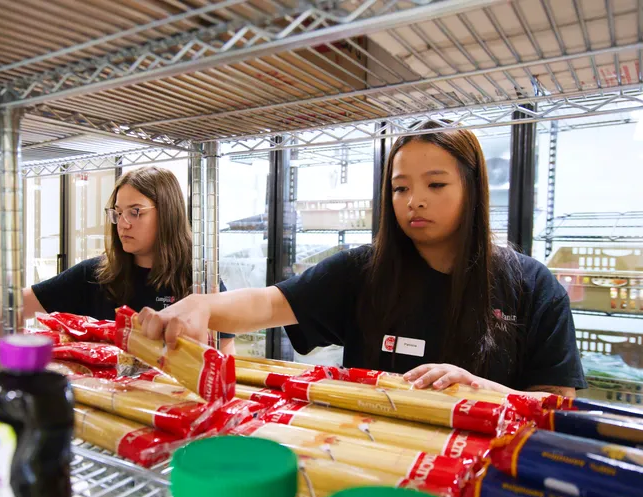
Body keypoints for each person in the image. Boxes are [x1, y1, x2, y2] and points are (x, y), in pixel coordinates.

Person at [136, 123, 586, 397]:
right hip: (369, 460)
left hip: (483, 477)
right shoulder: (364, 270)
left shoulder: (531, 285)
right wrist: (204, 307)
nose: (414, 202)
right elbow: (271, 303)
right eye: (401, 188)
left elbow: (555, 402)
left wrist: (481, 389)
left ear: (473, 189)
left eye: (435, 185)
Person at [0, 166, 235, 353]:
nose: (123, 223)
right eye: (118, 213)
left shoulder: (198, 280)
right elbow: (8, 305)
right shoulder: (97, 274)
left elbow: (225, 359)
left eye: (135, 212)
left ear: (168, 213)